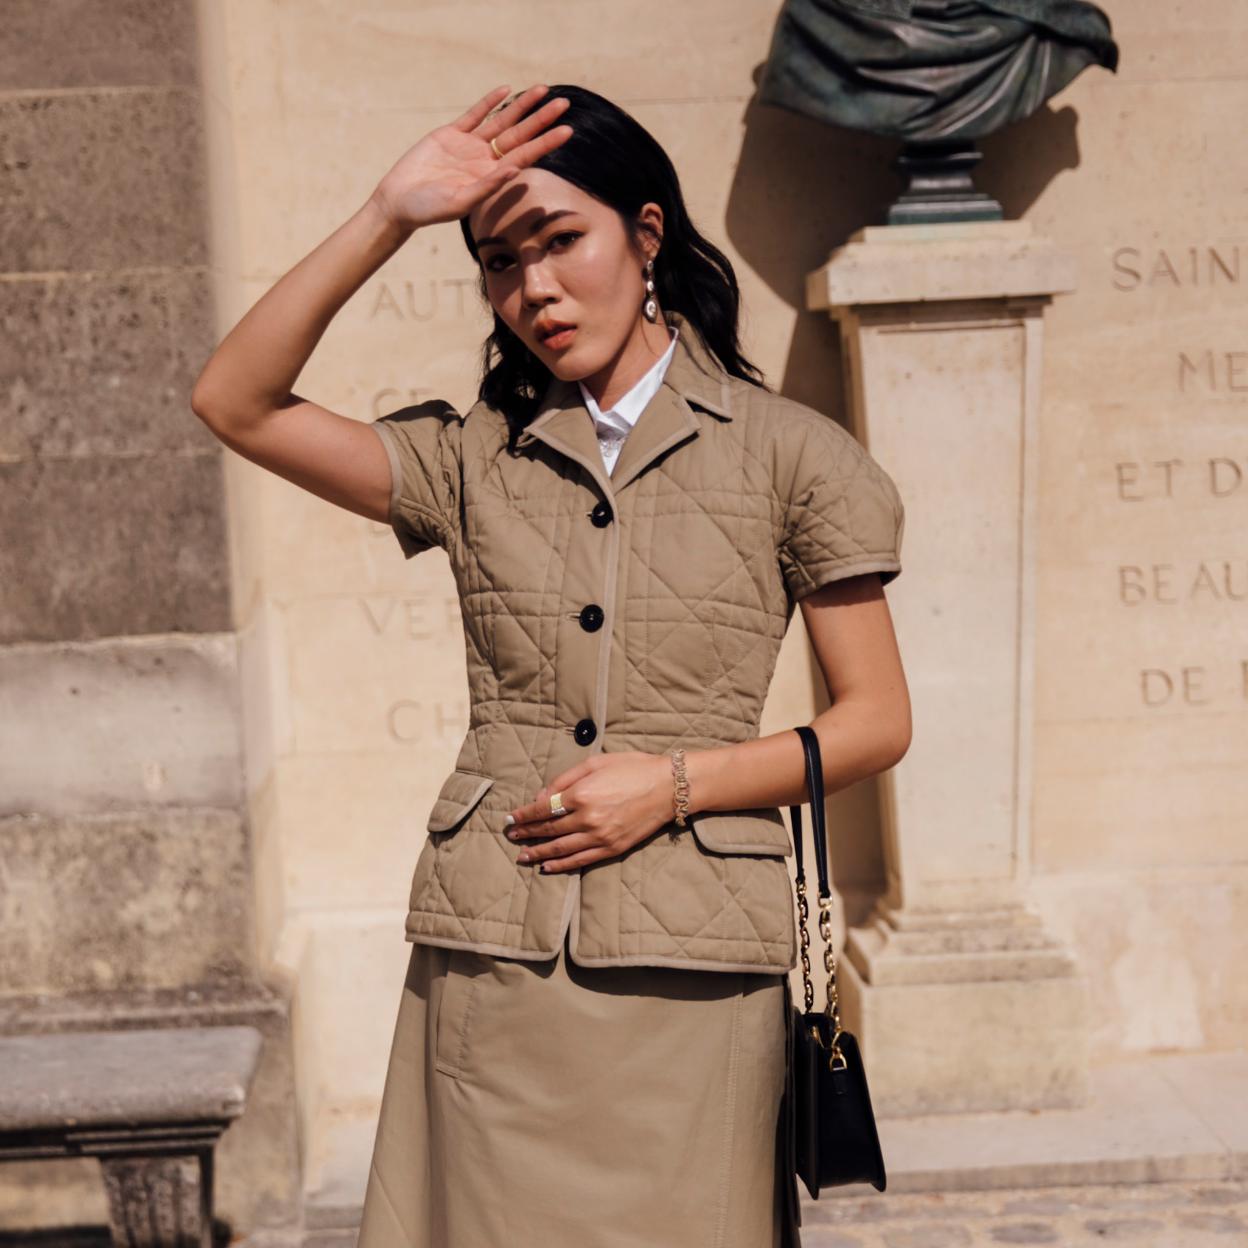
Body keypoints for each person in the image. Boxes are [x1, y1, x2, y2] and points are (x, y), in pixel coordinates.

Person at [192, 81, 911, 1248]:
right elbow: (234, 397)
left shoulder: (795, 458)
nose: (533, 288)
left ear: (646, 231)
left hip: (696, 968)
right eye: (496, 261)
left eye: (562, 241)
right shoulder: (469, 458)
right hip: (495, 963)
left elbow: (877, 720)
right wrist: (388, 212)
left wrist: (674, 783)